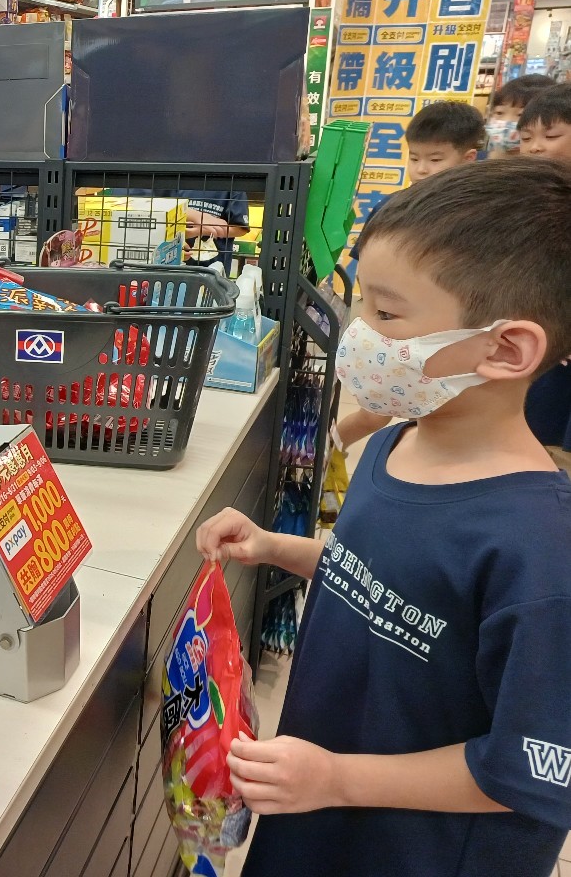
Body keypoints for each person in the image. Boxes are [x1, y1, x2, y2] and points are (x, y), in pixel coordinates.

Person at [199, 157, 571, 877]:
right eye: (362, 303)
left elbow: (531, 767)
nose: (359, 331)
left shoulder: (540, 553)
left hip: (413, 849)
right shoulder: (394, 444)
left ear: (506, 348)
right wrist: (277, 546)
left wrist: (338, 778)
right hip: (317, 812)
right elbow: (381, 582)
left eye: (386, 314)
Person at [337, 101, 486, 448]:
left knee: (442, 411)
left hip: (447, 337)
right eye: (414, 157)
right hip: (392, 328)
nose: (421, 169)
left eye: (435, 159)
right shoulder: (392, 208)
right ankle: (329, 449)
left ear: (468, 158)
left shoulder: (479, 217)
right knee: (374, 409)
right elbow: (366, 271)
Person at [516, 84, 571, 468]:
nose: (535, 147)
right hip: (537, 346)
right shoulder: (521, 196)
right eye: (525, 138)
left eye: (551, 136)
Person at [485, 73, 554, 159]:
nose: (506, 121)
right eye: (499, 113)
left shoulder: (548, 163)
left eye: (520, 115)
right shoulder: (483, 161)